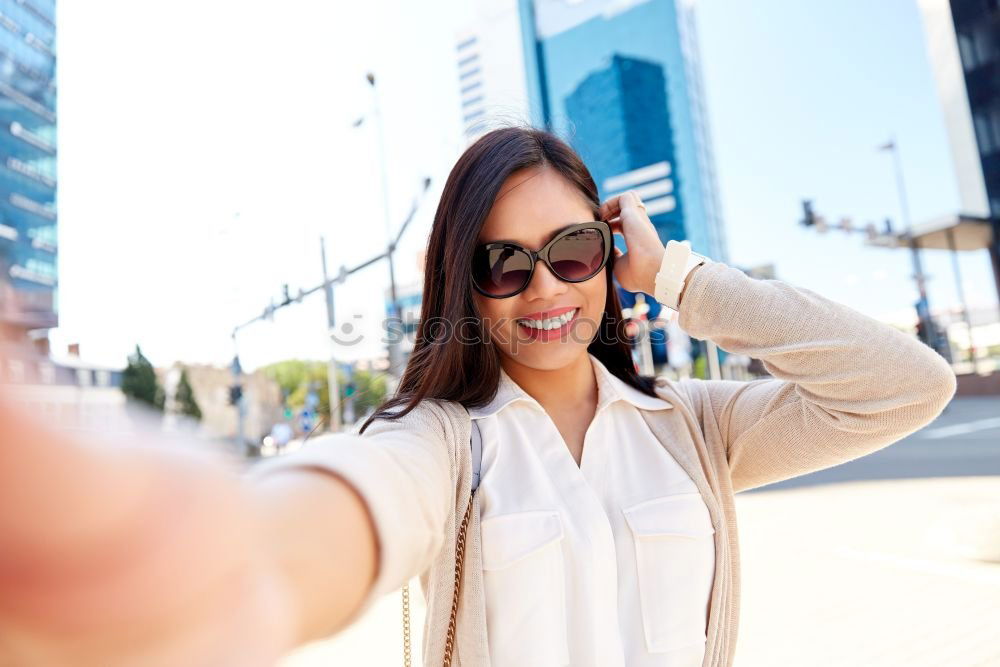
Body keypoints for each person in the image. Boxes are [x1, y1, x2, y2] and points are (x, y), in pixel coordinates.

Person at [0, 126, 957, 666]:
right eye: (504, 264)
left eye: (573, 252)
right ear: (466, 282)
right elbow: (347, 506)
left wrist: (679, 279)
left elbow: (908, 385)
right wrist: (206, 571)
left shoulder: (697, 427)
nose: (545, 289)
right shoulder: (443, 442)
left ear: (610, 255)